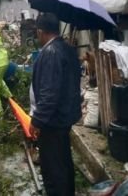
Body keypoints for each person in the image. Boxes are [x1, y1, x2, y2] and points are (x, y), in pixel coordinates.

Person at [28, 13, 81, 196]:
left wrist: (37, 120)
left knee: (52, 168)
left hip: (53, 120)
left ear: (40, 32)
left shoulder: (51, 53)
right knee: (63, 161)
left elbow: (49, 93)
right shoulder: (67, 49)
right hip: (64, 116)